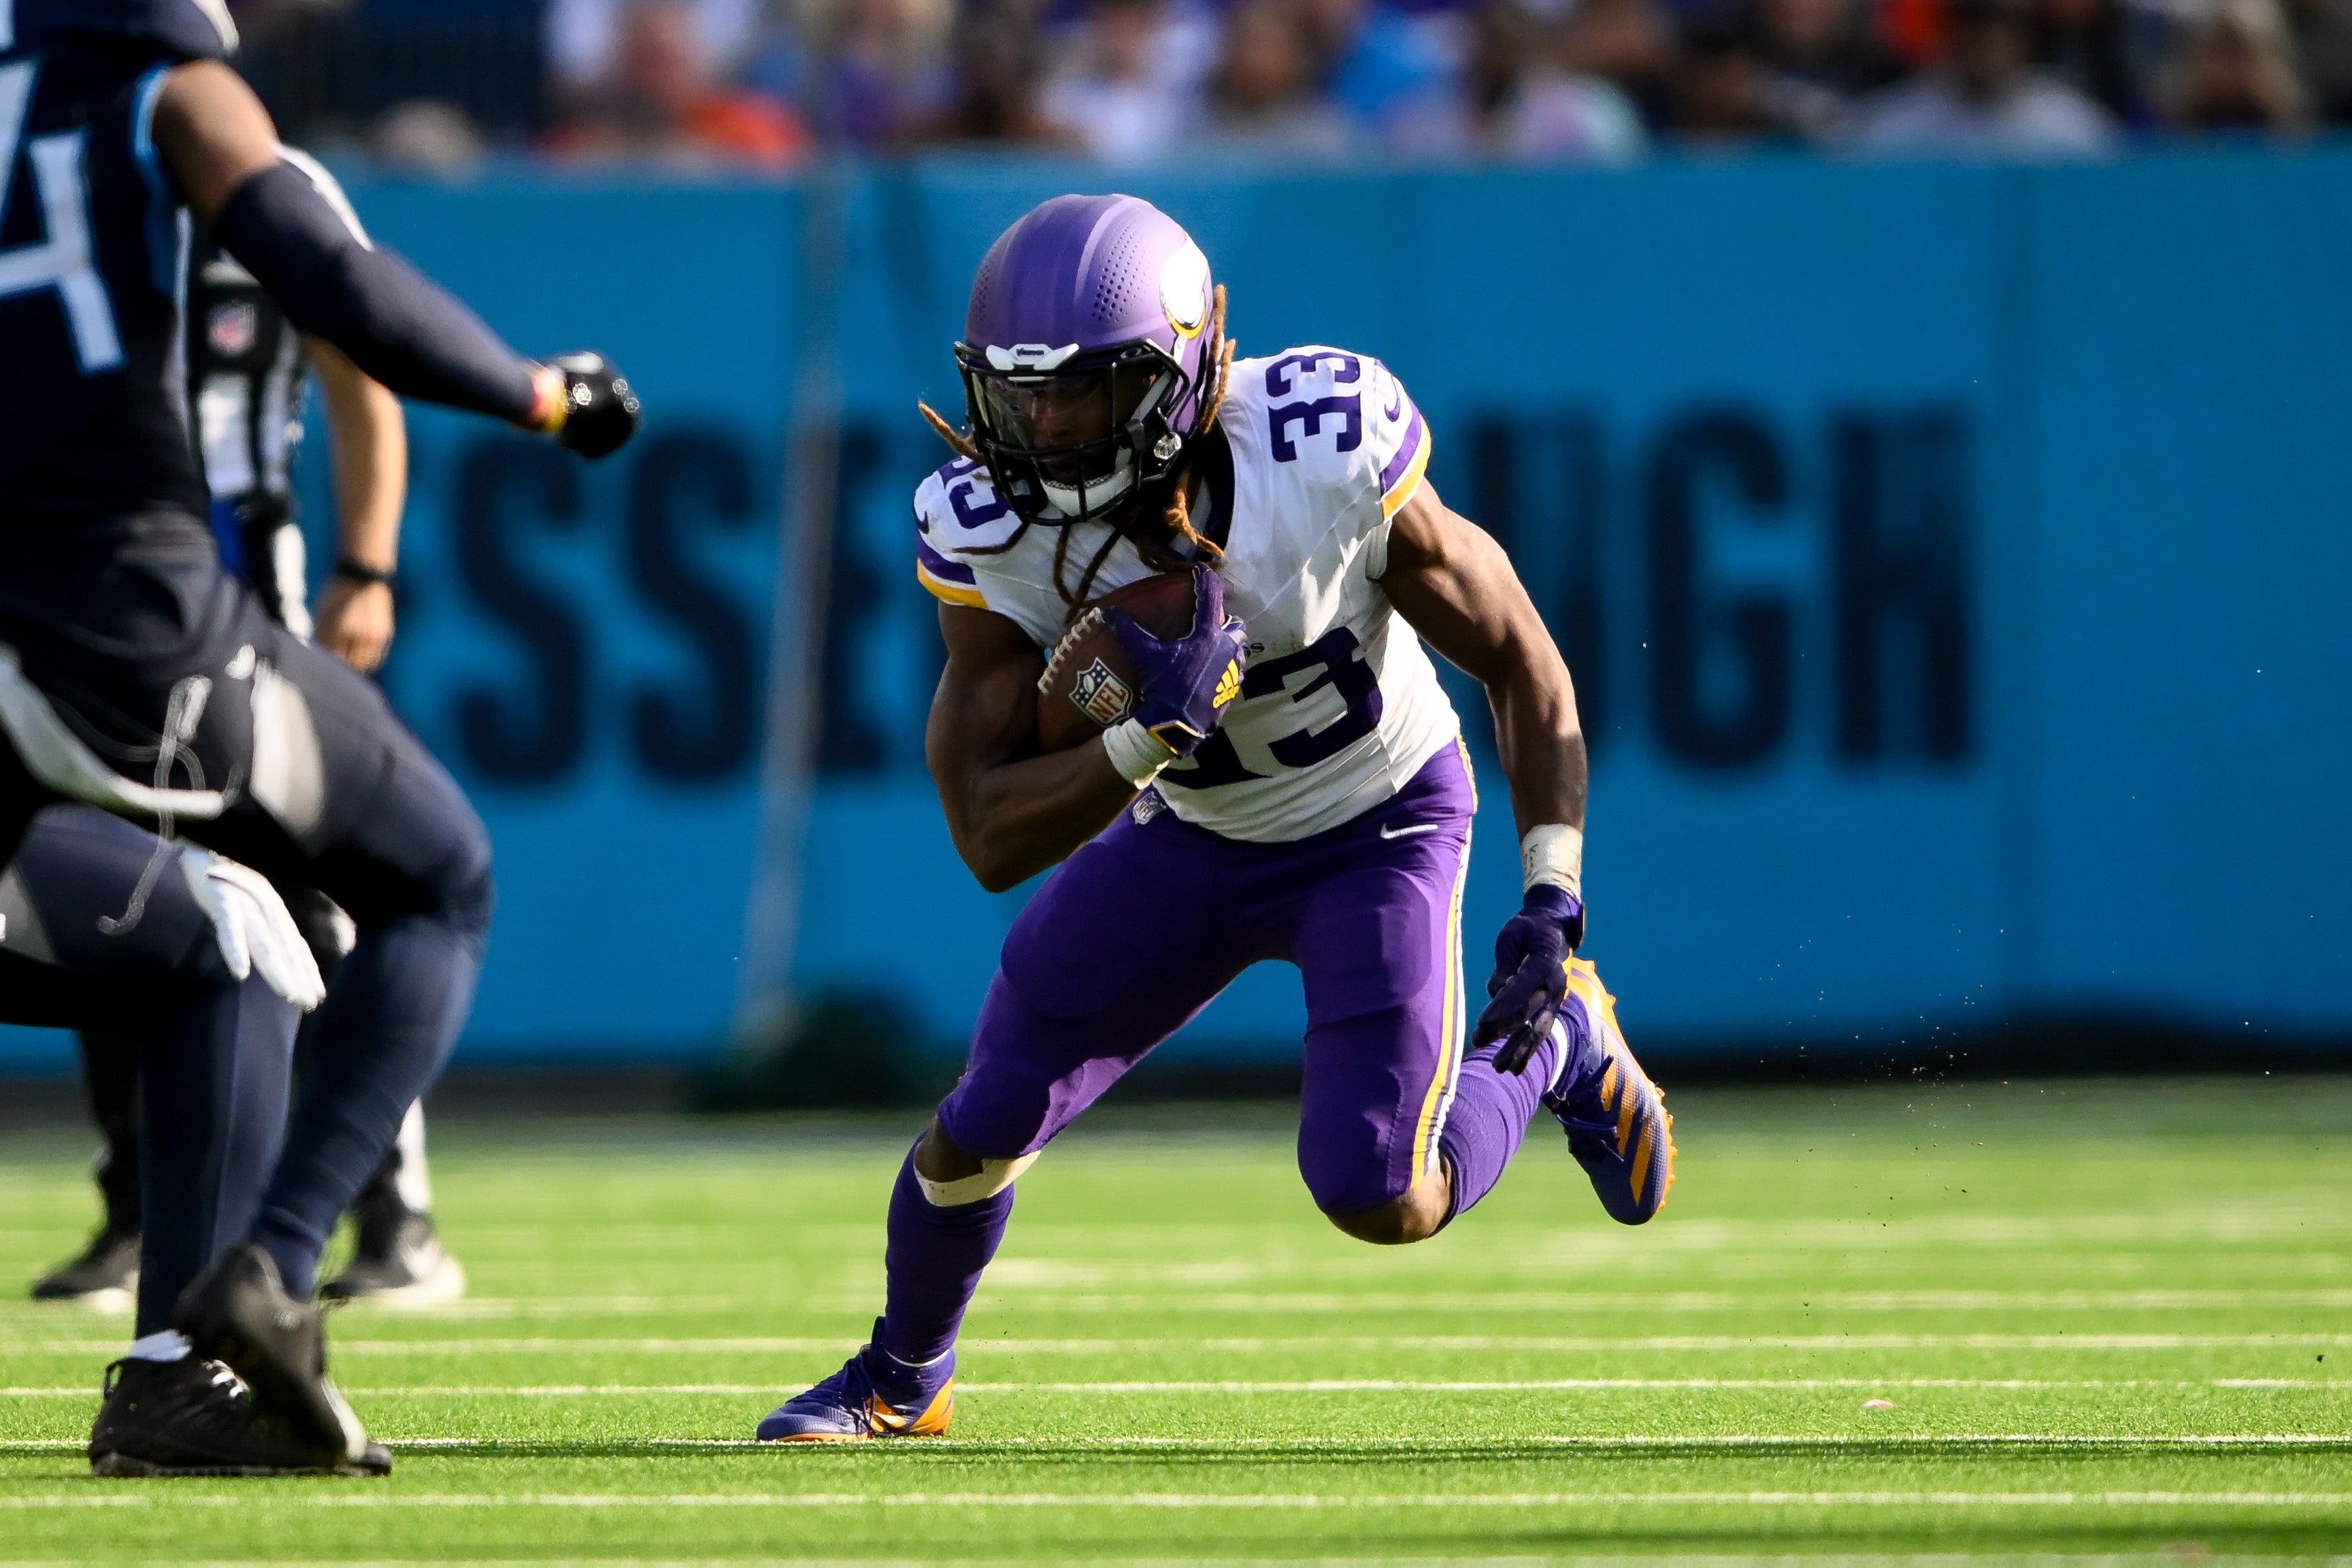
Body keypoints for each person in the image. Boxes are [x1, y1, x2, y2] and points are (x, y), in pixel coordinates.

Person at [757, 194, 1675, 1443]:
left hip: (1379, 821)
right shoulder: (987, 527)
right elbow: (984, 833)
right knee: (982, 1119)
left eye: (1083, 390)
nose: (1045, 426)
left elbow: (1518, 655)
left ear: (1183, 373)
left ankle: (1555, 1041)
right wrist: (1143, 737)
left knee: (1377, 1193)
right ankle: (899, 1379)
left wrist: (1552, 899)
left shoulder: (1322, 449)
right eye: (1019, 394)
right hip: (1190, 831)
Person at [0, 0, 637, 1475]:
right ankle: (273, 1273)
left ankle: (179, 1383)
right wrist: (545, 395)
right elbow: (339, 285)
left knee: (222, 937)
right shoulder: (164, 93)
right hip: (119, 607)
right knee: (439, 874)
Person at [30, 159, 464, 1316]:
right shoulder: (63, 184)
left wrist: (364, 566)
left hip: (238, 595)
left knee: (326, 901)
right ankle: (137, 1210)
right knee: (118, 896)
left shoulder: (259, 184)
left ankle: (394, 1212)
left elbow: (361, 369)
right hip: (102, 606)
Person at [1855, 0, 2120, 154]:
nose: (1986, 42)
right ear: (1948, 33)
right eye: (1972, 26)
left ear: (2024, 37)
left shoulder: (2072, 126)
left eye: (2001, 27)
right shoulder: (1895, 127)